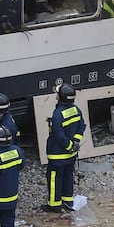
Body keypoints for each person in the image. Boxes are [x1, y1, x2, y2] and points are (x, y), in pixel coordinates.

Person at [41, 83, 85, 213]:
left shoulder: (58, 115)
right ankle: (67, 201)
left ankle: (54, 205)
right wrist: (75, 142)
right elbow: (81, 126)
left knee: (54, 179)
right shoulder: (76, 110)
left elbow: (59, 136)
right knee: (68, 176)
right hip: (71, 155)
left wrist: (69, 146)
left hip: (57, 154)